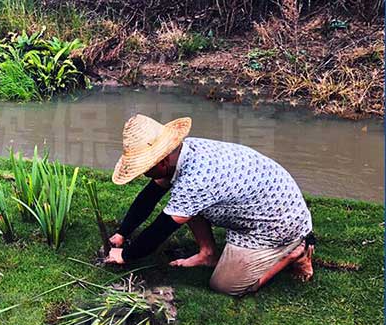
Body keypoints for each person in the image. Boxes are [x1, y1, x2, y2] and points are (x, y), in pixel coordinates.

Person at [104, 114, 314, 296]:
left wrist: (125, 256)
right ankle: (208, 254)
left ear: (161, 162)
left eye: (145, 169)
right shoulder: (183, 152)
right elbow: (150, 195)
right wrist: (123, 232)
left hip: (276, 224)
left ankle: (294, 253)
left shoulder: (194, 180)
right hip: (261, 202)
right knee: (184, 206)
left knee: (225, 285)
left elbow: (161, 229)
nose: (143, 174)